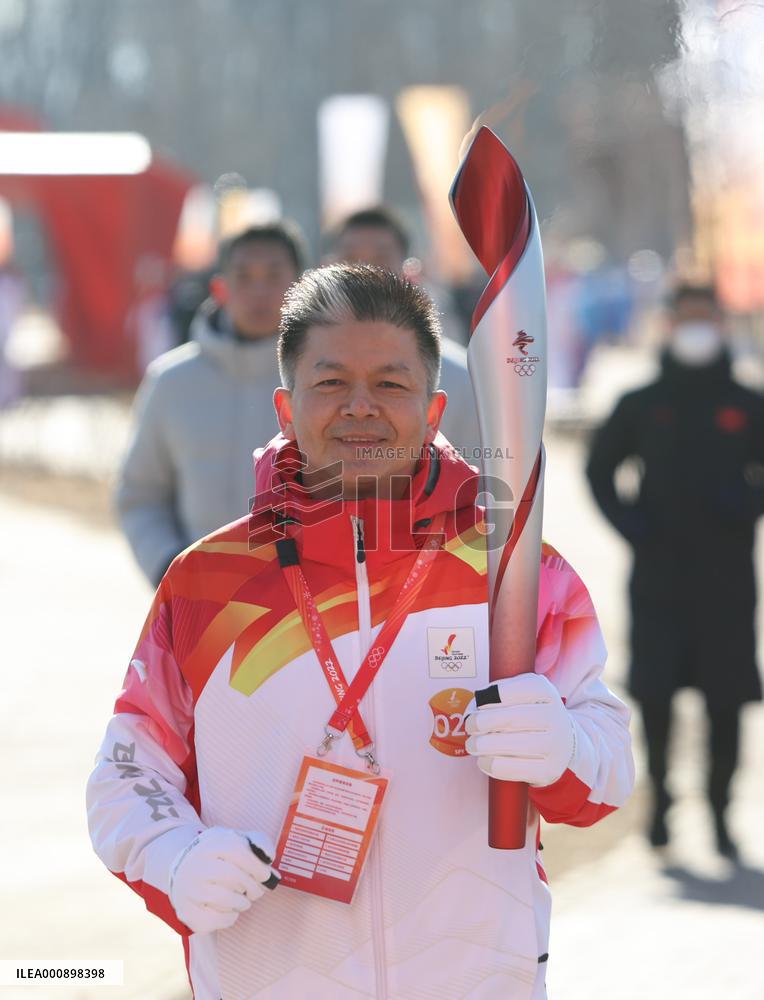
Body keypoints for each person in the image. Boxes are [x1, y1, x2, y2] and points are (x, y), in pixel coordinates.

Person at [88, 264, 634, 999]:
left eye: (391, 383)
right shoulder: (208, 583)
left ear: (435, 409)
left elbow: (607, 766)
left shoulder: (514, 572)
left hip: (477, 980)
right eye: (331, 382)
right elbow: (127, 772)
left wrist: (567, 747)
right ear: (286, 406)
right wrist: (172, 855)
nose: (360, 408)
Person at [586, 282, 764, 858]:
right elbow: (599, 468)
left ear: (720, 323)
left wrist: (746, 505)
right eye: (685, 318)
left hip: (729, 580)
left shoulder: (747, 403)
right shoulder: (642, 402)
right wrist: (632, 525)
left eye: (704, 318)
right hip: (658, 579)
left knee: (726, 700)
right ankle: (660, 806)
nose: (695, 328)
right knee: (656, 697)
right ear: (668, 325)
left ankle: (720, 813)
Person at [116, 222, 307, 586]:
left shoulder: (327, 382)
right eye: (244, 277)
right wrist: (167, 568)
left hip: (307, 608)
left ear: (301, 286)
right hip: (198, 602)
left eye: (273, 276)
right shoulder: (171, 381)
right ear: (220, 288)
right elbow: (140, 493)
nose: (259, 291)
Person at [331, 205, 481, 457]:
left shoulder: (460, 377)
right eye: (349, 259)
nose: (364, 271)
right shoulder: (301, 366)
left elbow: (476, 481)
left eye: (380, 259)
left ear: (408, 269)